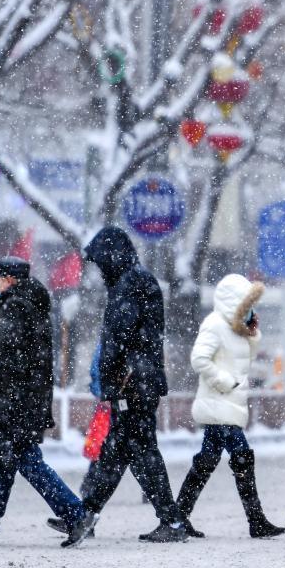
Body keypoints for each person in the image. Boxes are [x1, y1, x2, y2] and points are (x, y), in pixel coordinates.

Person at [0, 257, 96, 547]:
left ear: (9, 279)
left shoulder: (14, 307)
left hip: (12, 406)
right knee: (2, 462)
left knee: (24, 462)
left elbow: (9, 363)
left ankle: (76, 514)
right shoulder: (32, 303)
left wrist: (4, 405)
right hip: (24, 403)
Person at [76, 226, 187, 542]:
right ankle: (84, 516)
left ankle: (171, 521)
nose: (99, 271)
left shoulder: (129, 284)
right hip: (139, 381)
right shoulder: (136, 281)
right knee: (117, 451)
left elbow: (118, 338)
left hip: (132, 384)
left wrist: (110, 381)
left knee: (138, 451)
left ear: (111, 257)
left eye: (101, 263)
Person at [175, 274, 285, 539]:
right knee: (242, 456)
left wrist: (252, 333)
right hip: (219, 402)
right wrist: (223, 381)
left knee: (207, 460)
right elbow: (199, 359)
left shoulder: (236, 328)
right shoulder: (214, 324)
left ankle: (178, 517)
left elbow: (245, 358)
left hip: (230, 403)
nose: (250, 310)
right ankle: (256, 520)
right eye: (246, 304)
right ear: (233, 302)